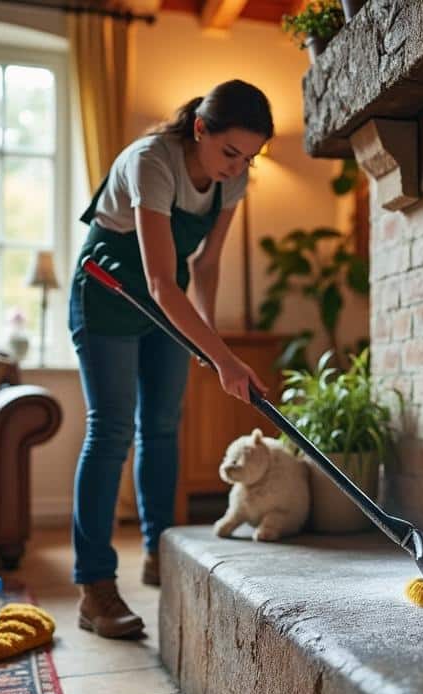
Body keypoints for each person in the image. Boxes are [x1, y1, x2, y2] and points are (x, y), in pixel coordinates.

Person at [69, 80, 272, 639]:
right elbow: (160, 280)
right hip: (109, 289)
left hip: (169, 301)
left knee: (161, 427)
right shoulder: (151, 160)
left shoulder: (234, 181)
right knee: (110, 431)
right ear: (200, 128)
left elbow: (203, 269)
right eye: (230, 152)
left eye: (249, 158)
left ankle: (161, 551)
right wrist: (224, 359)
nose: (238, 167)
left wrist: (213, 346)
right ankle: (95, 587)